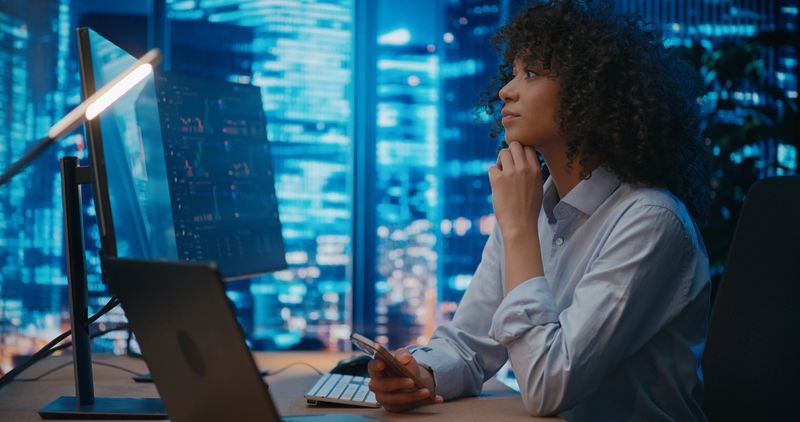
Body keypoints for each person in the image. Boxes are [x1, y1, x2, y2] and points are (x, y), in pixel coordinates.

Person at [366, 0, 712, 420]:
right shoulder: (532, 206)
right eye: (512, 73)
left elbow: (549, 385)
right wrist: (421, 375)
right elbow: (467, 347)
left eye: (530, 73)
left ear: (589, 91)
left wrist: (518, 229)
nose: (505, 90)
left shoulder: (651, 220)